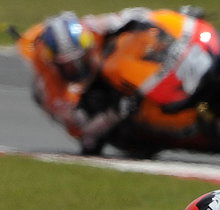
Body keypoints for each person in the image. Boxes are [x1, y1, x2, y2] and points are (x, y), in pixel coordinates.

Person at [13, 8, 153, 154]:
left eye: (80, 60)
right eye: (67, 66)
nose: (76, 68)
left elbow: (137, 14)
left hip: (103, 64)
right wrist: (115, 113)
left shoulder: (92, 28)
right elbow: (82, 128)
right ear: (55, 64)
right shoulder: (51, 83)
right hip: (81, 105)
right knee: (90, 140)